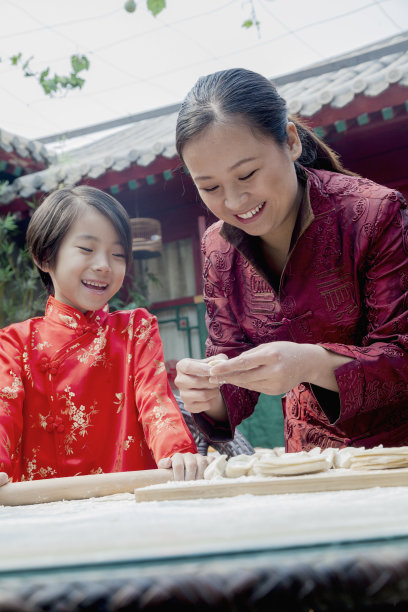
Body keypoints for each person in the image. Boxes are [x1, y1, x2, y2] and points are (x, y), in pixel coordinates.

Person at [174, 67, 408, 453]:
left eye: (247, 174)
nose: (233, 202)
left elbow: (401, 353)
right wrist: (207, 393)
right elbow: (228, 360)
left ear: (291, 142)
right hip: (307, 460)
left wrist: (312, 363)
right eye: (210, 187)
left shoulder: (373, 213)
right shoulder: (219, 247)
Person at [0, 185, 211, 486]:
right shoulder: (14, 343)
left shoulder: (135, 330)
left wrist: (176, 452)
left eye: (118, 254)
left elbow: (156, 401)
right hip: (45, 507)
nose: (103, 265)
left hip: (128, 501)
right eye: (86, 249)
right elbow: (2, 412)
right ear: (45, 257)